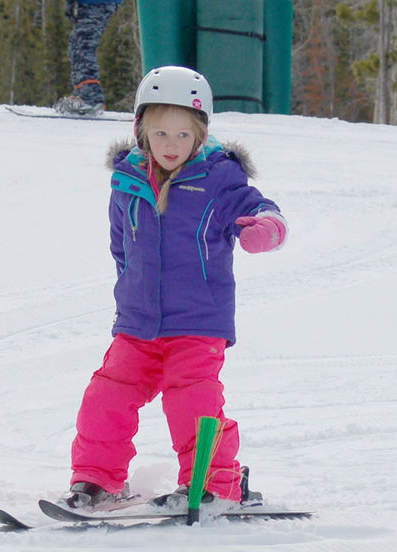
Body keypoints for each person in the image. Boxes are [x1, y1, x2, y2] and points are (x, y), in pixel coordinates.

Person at [64, 66, 288, 510]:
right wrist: (129, 294)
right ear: (140, 130)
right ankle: (95, 479)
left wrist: (264, 227)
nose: (171, 145)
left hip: (197, 323)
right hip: (138, 325)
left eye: (183, 135)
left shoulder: (219, 179)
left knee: (193, 402)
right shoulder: (127, 181)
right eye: (161, 132)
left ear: (201, 134)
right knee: (105, 396)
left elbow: (262, 208)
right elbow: (120, 246)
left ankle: (213, 484)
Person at [56, 0, 123, 116]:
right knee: (76, 47)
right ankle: (81, 94)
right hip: (92, 4)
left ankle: (90, 98)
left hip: (96, 4)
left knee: (83, 46)